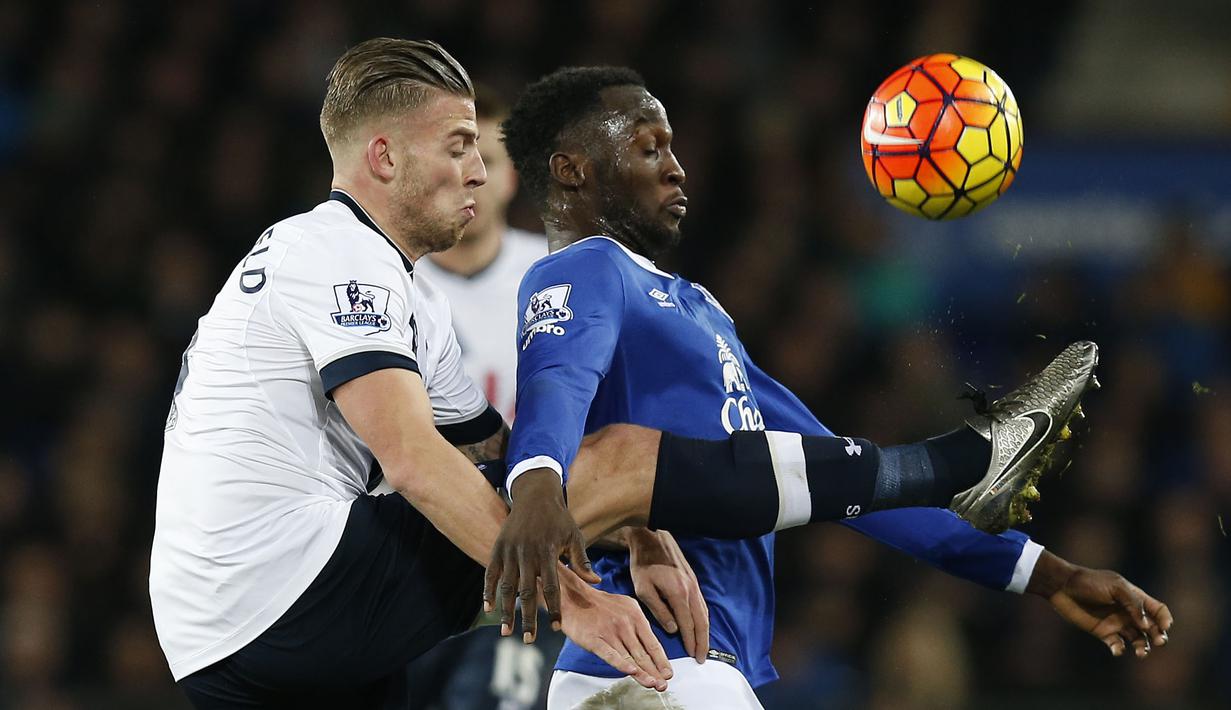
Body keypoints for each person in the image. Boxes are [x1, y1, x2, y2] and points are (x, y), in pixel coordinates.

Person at [497, 66, 1174, 708]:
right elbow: (556, 380)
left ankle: (962, 457)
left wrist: (1046, 574)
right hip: (654, 666)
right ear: (571, 170)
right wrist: (534, 479)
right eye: (649, 149)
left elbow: (859, 484)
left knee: (857, 470)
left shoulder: (692, 309)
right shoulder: (589, 270)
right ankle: (966, 453)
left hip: (692, 669)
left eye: (672, 147)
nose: (676, 168)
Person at [149, 39, 679, 709]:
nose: (478, 174)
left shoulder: (401, 290)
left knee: (540, 475)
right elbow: (413, 460)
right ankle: (848, 481)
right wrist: (574, 599)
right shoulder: (335, 252)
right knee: (606, 460)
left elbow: (495, 449)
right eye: (458, 147)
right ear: (385, 157)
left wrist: (629, 530)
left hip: (228, 630)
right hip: (278, 594)